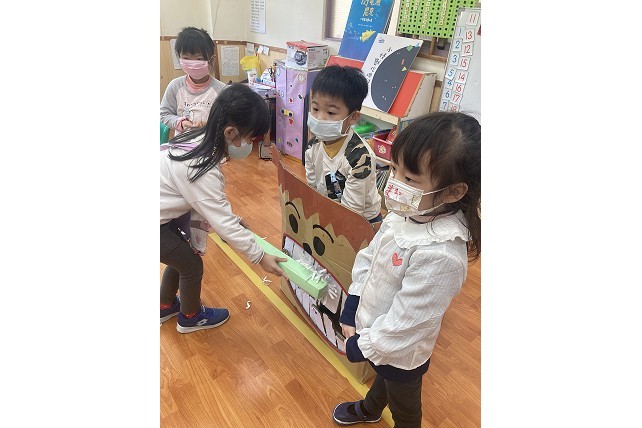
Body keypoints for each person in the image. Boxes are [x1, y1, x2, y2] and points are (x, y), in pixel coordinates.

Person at [331, 111, 481, 427]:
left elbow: (407, 324)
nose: (395, 184)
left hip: (400, 351)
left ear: (454, 191)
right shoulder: (406, 212)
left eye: (410, 179)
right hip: (374, 330)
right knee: (382, 379)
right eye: (394, 169)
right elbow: (369, 257)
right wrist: (353, 304)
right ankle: (370, 409)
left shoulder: (442, 255)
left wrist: (363, 345)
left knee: (404, 404)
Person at [160, 83, 286, 334]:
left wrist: (234, 221)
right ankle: (191, 317)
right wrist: (260, 257)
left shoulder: (195, 138)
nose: (249, 144)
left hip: (160, 216)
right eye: (250, 138)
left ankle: (165, 305)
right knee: (191, 266)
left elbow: (212, 206)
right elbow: (220, 220)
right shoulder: (199, 167)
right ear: (230, 132)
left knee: (181, 257)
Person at [304, 65, 382, 223]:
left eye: (331, 112)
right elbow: (312, 186)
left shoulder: (360, 159)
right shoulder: (313, 145)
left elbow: (351, 212)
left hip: (363, 221)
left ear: (353, 117)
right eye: (315, 108)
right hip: (330, 210)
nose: (319, 118)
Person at [160, 26, 227, 135]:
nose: (193, 64)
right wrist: (180, 122)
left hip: (209, 142)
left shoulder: (222, 90)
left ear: (212, 60)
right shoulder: (175, 86)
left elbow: (228, 121)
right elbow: (164, 114)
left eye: (199, 59)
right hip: (182, 142)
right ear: (179, 57)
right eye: (186, 58)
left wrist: (209, 125)